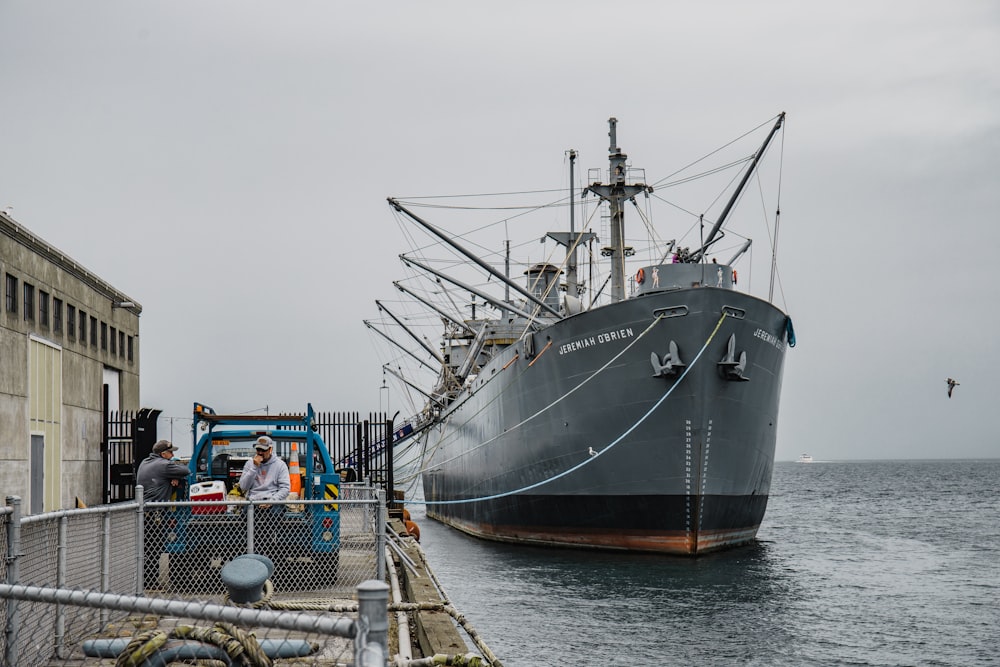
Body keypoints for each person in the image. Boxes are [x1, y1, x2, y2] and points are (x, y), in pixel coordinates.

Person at [136, 440, 188, 587]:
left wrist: (173, 476)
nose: (173, 455)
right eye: (171, 452)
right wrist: (176, 474)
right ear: (163, 454)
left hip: (144, 512)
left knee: (146, 547)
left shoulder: (145, 462)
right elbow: (186, 470)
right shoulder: (163, 464)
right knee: (155, 547)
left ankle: (146, 580)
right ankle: (150, 582)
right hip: (155, 514)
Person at [239, 435, 291, 502]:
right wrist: (254, 467)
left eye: (263, 450)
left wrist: (272, 501)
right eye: (258, 449)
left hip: (273, 501)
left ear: (270, 449)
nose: (260, 453)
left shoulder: (280, 465)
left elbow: (285, 488)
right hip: (253, 501)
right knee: (246, 510)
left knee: (276, 510)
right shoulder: (249, 464)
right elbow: (243, 487)